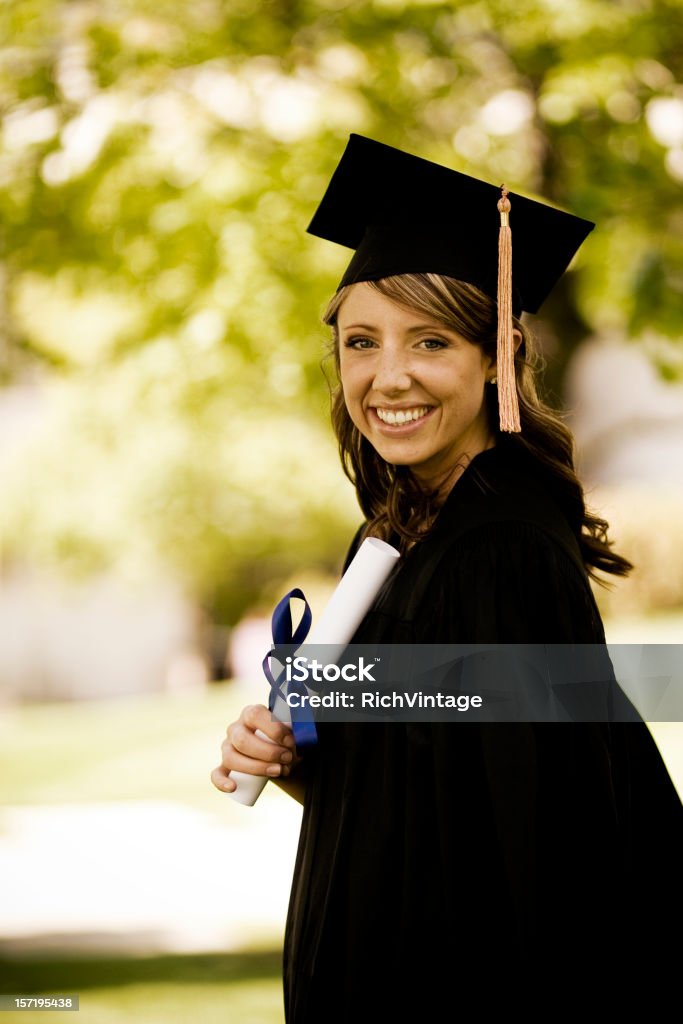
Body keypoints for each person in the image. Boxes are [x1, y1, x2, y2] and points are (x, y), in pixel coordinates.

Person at [211, 136, 682, 1018]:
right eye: (360, 342)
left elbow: (541, 849)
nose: (387, 377)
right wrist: (292, 761)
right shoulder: (391, 538)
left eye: (428, 340)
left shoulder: (500, 549)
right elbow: (417, 794)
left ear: (496, 355)